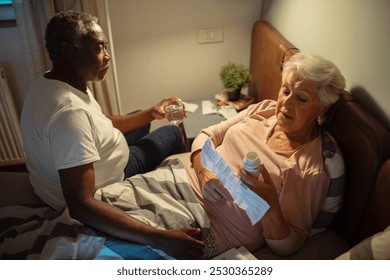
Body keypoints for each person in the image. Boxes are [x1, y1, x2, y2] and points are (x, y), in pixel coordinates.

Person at [20, 10, 203, 259]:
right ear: (67, 51)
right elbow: (80, 204)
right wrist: (158, 237)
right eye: (98, 48)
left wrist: (152, 112)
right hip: (109, 174)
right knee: (171, 132)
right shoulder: (69, 114)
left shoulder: (50, 82)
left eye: (105, 47)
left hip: (82, 160)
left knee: (141, 114)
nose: (107, 57)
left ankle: (147, 115)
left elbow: (100, 123)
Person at [186, 52, 346, 258]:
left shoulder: (308, 169)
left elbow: (289, 245)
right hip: (185, 182)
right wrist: (202, 171)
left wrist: (271, 207)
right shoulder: (265, 109)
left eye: (302, 99)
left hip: (208, 228)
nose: (286, 104)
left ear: (321, 110)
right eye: (285, 90)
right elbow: (207, 134)